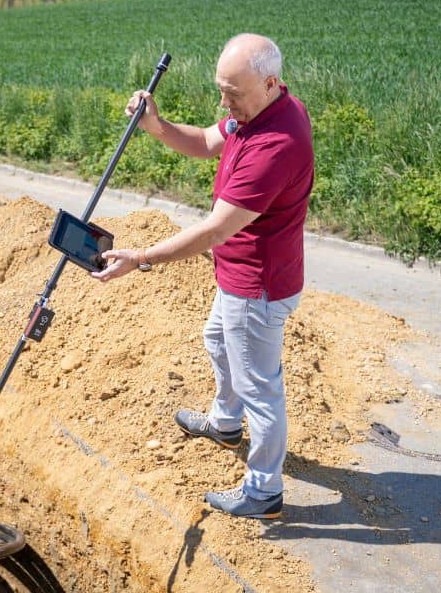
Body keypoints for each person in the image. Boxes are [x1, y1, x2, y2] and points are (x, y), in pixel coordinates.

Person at [91, 33, 314, 519]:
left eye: (232, 92)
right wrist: (156, 125)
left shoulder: (276, 143)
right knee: (217, 338)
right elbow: (208, 141)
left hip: (257, 284)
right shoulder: (256, 110)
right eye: (221, 89)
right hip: (239, 274)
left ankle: (263, 490)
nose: (224, 102)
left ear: (271, 82)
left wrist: (142, 257)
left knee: (260, 384)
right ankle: (225, 422)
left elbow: (214, 229)